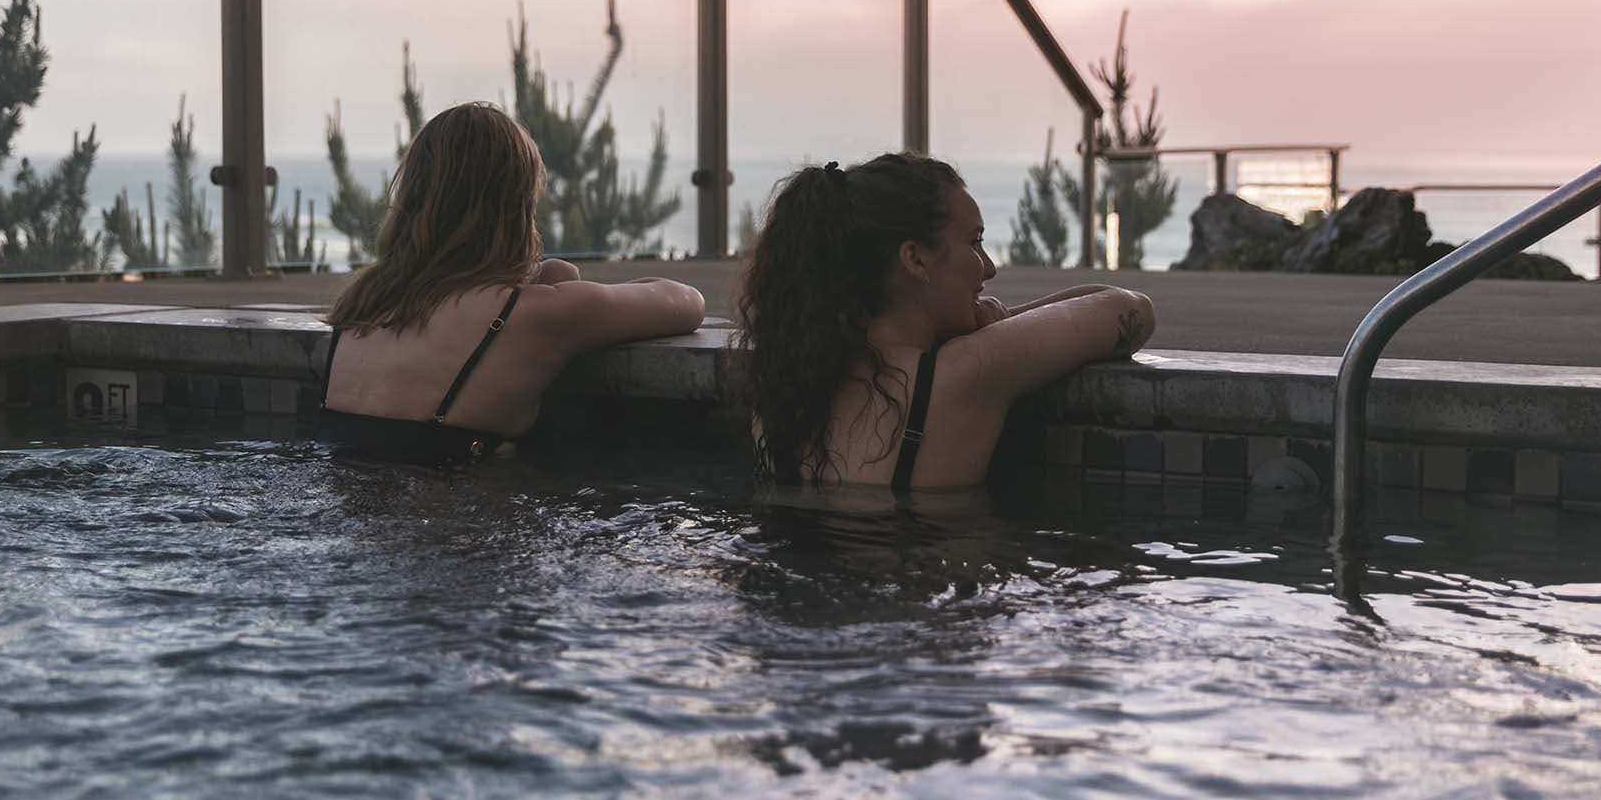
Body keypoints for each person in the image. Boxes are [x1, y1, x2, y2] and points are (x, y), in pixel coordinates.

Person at [736, 153, 1155, 491]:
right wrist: (1002, 320)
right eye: (974, 242)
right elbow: (1127, 307)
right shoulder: (962, 373)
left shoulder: (782, 384)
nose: (988, 268)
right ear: (916, 258)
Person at [317, 102, 705, 462]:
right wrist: (559, 285)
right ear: (514, 205)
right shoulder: (533, 315)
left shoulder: (360, 305)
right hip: (462, 527)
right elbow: (686, 301)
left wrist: (551, 278)